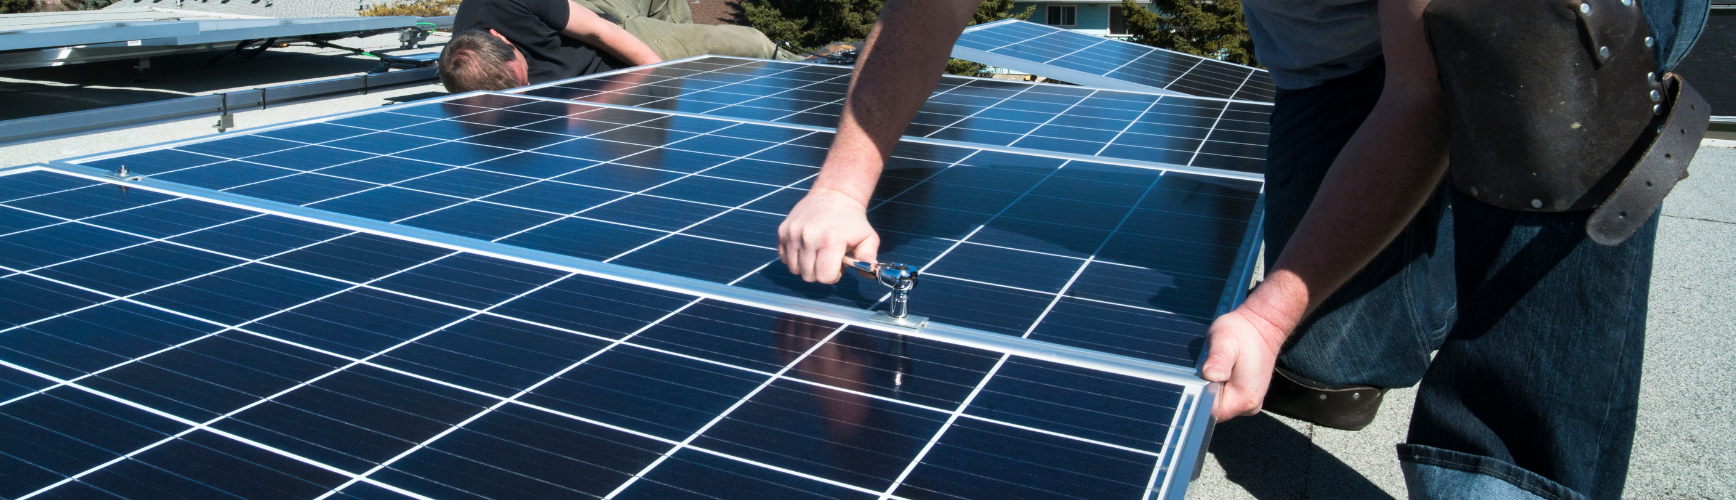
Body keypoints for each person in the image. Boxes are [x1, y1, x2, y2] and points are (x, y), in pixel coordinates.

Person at [773, 0, 1711, 498]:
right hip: (1337, 54)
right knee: (1331, 351)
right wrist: (843, 187)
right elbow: (929, 6)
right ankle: (1449, 215)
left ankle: (1508, 475)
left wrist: (1266, 312)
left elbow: (1418, 96)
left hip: (1549, 20)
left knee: (1535, 53)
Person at [438, 0, 803, 93]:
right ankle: (807, 63)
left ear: (501, 38)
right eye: (521, 89)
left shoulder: (506, 3)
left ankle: (676, 39)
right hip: (609, 80)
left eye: (524, 76)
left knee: (740, 42)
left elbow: (599, 31)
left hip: (612, 33)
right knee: (751, 43)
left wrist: (666, 77)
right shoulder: (469, 81)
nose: (530, 87)